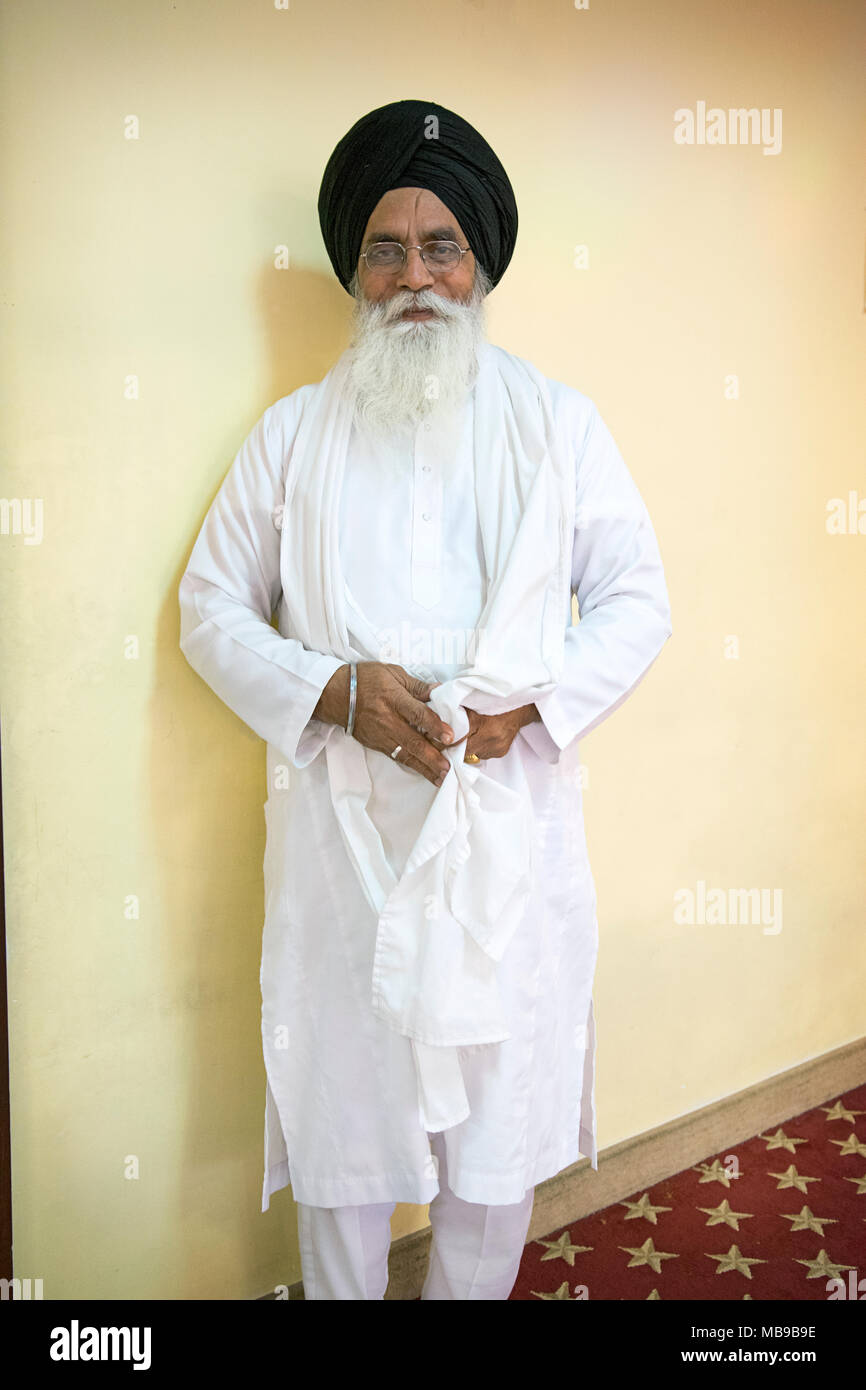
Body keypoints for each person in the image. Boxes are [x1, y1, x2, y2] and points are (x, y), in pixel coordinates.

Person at [178, 99, 673, 1300]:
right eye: (386, 250)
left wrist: (530, 708)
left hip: (501, 837)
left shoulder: (558, 426)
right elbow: (209, 608)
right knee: (347, 1138)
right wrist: (331, 688)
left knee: (490, 1153)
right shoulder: (291, 436)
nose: (415, 277)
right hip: (341, 848)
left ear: (479, 262)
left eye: (440, 246)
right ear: (354, 268)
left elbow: (636, 599)